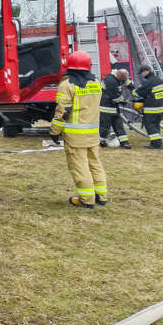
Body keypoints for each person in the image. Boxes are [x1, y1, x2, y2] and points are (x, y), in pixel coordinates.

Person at [49, 51, 107, 209]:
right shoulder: (96, 82)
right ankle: (101, 196)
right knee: (95, 164)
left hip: (75, 136)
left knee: (79, 167)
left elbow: (63, 111)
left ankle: (86, 200)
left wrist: (55, 131)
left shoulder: (66, 85)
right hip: (93, 133)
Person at [133, 65, 163, 150]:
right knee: (156, 126)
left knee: (150, 126)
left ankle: (157, 144)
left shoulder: (148, 82)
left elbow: (137, 93)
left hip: (151, 109)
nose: (142, 75)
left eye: (142, 73)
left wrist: (133, 91)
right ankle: (155, 142)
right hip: (160, 108)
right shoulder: (159, 80)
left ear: (145, 72)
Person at [99, 69, 132, 149]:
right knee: (104, 127)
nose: (124, 80)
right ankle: (101, 142)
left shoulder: (117, 78)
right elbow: (114, 96)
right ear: (119, 76)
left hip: (114, 107)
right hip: (106, 108)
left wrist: (132, 87)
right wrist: (123, 101)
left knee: (119, 125)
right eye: (123, 78)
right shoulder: (110, 81)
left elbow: (126, 82)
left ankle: (124, 143)